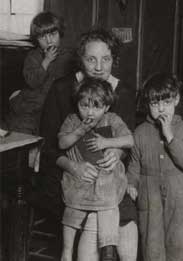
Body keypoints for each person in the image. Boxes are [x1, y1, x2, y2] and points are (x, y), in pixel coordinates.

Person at [36, 27, 138, 261]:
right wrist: (73, 167)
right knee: (95, 217)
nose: (99, 67)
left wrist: (116, 151)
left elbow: (126, 140)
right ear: (80, 60)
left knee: (127, 217)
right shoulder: (62, 89)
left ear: (114, 60)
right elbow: (49, 146)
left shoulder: (122, 91)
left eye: (106, 59)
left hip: (108, 177)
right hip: (66, 174)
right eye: (91, 59)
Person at [59, 78, 134, 261]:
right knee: (72, 209)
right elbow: (62, 143)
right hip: (80, 178)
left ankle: (108, 249)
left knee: (108, 204)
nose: (89, 112)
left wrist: (106, 142)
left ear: (106, 107)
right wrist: (79, 130)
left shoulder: (112, 119)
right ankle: (67, 251)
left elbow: (130, 140)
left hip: (106, 178)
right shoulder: (72, 119)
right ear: (77, 104)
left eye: (96, 107)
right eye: (84, 106)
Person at [126, 73, 183, 261]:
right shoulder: (140, 132)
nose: (160, 108)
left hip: (179, 194)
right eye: (154, 104)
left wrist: (169, 136)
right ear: (147, 105)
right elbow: (134, 163)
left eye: (166, 102)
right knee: (152, 245)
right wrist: (131, 183)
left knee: (178, 244)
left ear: (177, 100)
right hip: (149, 194)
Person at [6, 11, 75, 134]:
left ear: (60, 33)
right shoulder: (32, 56)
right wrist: (46, 61)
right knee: (20, 132)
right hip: (31, 106)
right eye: (43, 36)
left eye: (53, 34)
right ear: (36, 39)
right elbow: (32, 82)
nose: (49, 40)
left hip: (54, 107)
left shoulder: (69, 56)